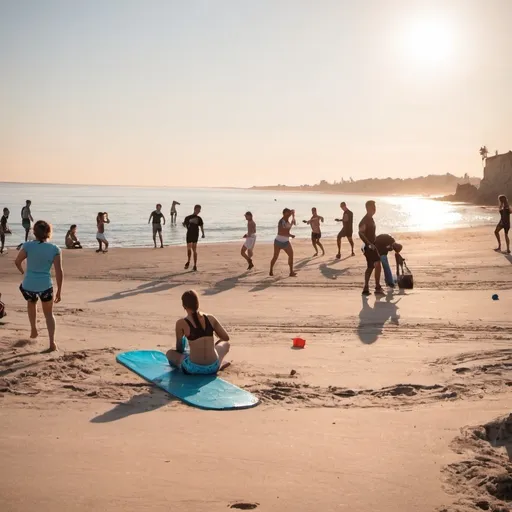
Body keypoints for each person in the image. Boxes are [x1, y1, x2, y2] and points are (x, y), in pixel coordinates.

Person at [14, 220, 63, 352]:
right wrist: (59, 291)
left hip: (29, 284)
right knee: (49, 314)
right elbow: (59, 271)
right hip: (45, 285)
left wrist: (23, 272)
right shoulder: (54, 249)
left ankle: (33, 329)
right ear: (49, 232)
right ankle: (52, 343)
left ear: (34, 232)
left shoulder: (28, 246)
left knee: (31, 303)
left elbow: (17, 261)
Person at [166, 290, 230, 375]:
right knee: (225, 343)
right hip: (213, 367)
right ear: (197, 303)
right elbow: (225, 338)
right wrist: (213, 345)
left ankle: (179, 366)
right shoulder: (210, 318)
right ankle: (219, 362)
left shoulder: (181, 323)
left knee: (169, 354)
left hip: (193, 368)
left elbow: (179, 348)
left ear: (184, 306)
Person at [358, 200, 384, 296]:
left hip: (371, 246)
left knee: (370, 267)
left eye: (375, 207)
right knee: (377, 264)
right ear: (368, 208)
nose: (375, 209)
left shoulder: (370, 219)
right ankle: (377, 287)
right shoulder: (365, 220)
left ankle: (366, 288)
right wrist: (369, 244)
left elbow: (371, 233)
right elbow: (360, 233)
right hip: (368, 247)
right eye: (373, 207)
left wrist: (375, 242)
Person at [269, 208, 297, 277]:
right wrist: (290, 235)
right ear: (284, 213)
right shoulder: (281, 221)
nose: (289, 214)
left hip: (286, 242)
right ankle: (271, 270)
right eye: (288, 213)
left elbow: (293, 224)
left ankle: (291, 272)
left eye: (289, 213)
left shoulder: (287, 221)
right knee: (275, 257)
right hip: (278, 242)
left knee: (291, 255)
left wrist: (293, 215)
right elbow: (281, 232)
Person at [183, 205, 204, 271]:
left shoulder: (199, 218)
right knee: (189, 248)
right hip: (189, 234)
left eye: (199, 210)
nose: (198, 211)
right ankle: (188, 261)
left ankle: (195, 265)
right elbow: (185, 225)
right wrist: (185, 224)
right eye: (197, 210)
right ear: (194, 209)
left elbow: (201, 227)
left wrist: (203, 234)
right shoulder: (187, 217)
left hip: (195, 234)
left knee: (194, 249)